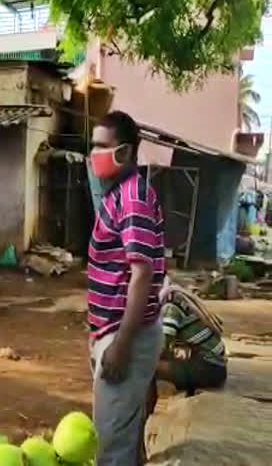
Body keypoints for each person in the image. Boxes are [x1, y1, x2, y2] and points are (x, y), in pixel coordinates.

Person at [87, 111, 165, 465]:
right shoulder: (117, 193)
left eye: (103, 147)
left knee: (111, 446)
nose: (95, 155)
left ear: (127, 152)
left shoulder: (132, 197)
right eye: (93, 146)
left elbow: (142, 274)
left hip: (126, 335)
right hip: (115, 331)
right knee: (125, 440)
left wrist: (121, 345)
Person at [157, 280, 227, 394]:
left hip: (208, 368)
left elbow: (161, 347)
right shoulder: (180, 302)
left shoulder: (170, 308)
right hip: (216, 367)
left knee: (144, 366)